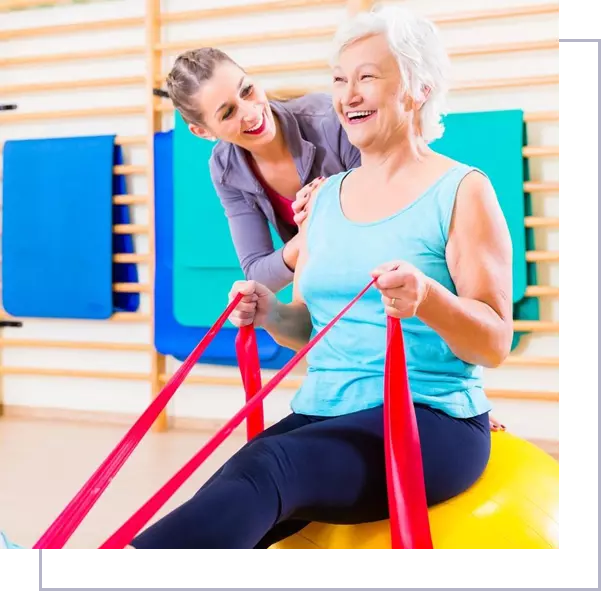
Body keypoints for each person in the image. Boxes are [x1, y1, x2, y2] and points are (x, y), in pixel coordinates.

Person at [1, 5, 512, 553]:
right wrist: (271, 312)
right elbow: (308, 329)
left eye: (367, 77)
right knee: (235, 484)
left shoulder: (461, 190)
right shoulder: (325, 202)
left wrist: (428, 298)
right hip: (329, 407)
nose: (348, 94)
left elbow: (494, 341)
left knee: (271, 468)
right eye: (339, 80)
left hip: (428, 419)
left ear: (417, 88)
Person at [165, 46, 360, 294]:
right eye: (228, 113)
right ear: (203, 132)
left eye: (247, 91)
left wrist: (327, 204)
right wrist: (309, 234)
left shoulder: (330, 121)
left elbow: (383, 219)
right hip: (330, 290)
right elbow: (257, 274)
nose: (250, 112)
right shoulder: (225, 168)